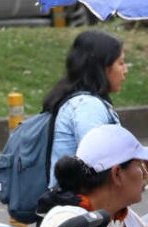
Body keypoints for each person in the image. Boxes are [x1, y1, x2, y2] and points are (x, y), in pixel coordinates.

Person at [43, 29, 126, 188]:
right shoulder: (88, 106)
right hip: (81, 206)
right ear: (102, 67)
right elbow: (98, 161)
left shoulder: (84, 101)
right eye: (120, 63)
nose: (125, 70)